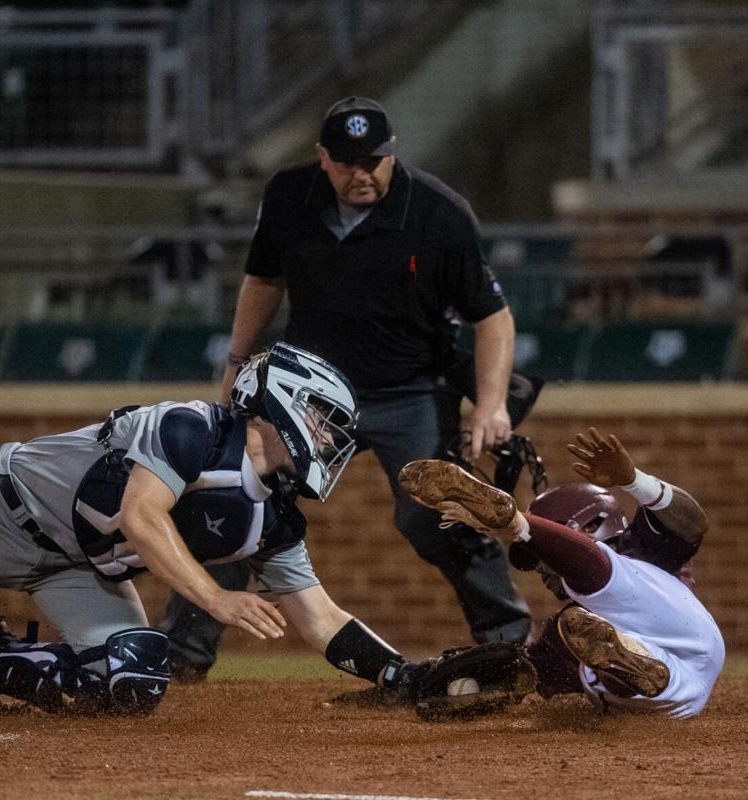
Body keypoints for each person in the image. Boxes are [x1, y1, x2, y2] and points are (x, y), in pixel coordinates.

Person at [0, 343, 425, 714]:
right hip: (4, 515)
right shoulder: (191, 426)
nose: (330, 438)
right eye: (322, 419)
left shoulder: (275, 514)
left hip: (80, 568)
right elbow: (141, 516)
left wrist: (400, 674)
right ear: (282, 399)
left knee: (134, 678)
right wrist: (214, 597)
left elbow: (320, 616)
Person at [163, 96, 531, 681]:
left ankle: (512, 648)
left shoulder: (439, 212)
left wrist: (489, 404)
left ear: (393, 153)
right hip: (304, 397)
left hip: (409, 391)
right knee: (234, 494)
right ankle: (180, 659)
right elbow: (263, 280)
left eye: (375, 160)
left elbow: (493, 315)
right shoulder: (289, 195)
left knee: (437, 513)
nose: (363, 173)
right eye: (347, 161)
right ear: (322, 158)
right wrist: (236, 361)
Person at [400, 427, 725, 718]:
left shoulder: (647, 549)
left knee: (611, 578)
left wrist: (635, 482)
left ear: (592, 525)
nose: (540, 568)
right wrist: (452, 678)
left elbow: (693, 522)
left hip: (682, 630)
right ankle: (631, 659)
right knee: (585, 656)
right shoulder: (571, 629)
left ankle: (518, 524)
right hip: (673, 696)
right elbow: (529, 679)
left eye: (539, 557)